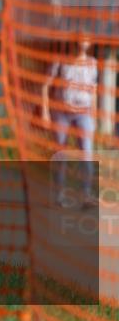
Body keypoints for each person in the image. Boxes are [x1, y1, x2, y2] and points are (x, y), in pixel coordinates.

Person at [41, 37, 98, 207]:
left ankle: (86, 195)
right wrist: (45, 112)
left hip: (84, 113)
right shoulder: (60, 61)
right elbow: (45, 86)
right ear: (74, 42)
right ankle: (59, 195)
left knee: (86, 153)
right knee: (60, 153)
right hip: (62, 112)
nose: (83, 44)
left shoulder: (92, 63)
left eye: (87, 40)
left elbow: (93, 90)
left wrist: (94, 116)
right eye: (80, 40)